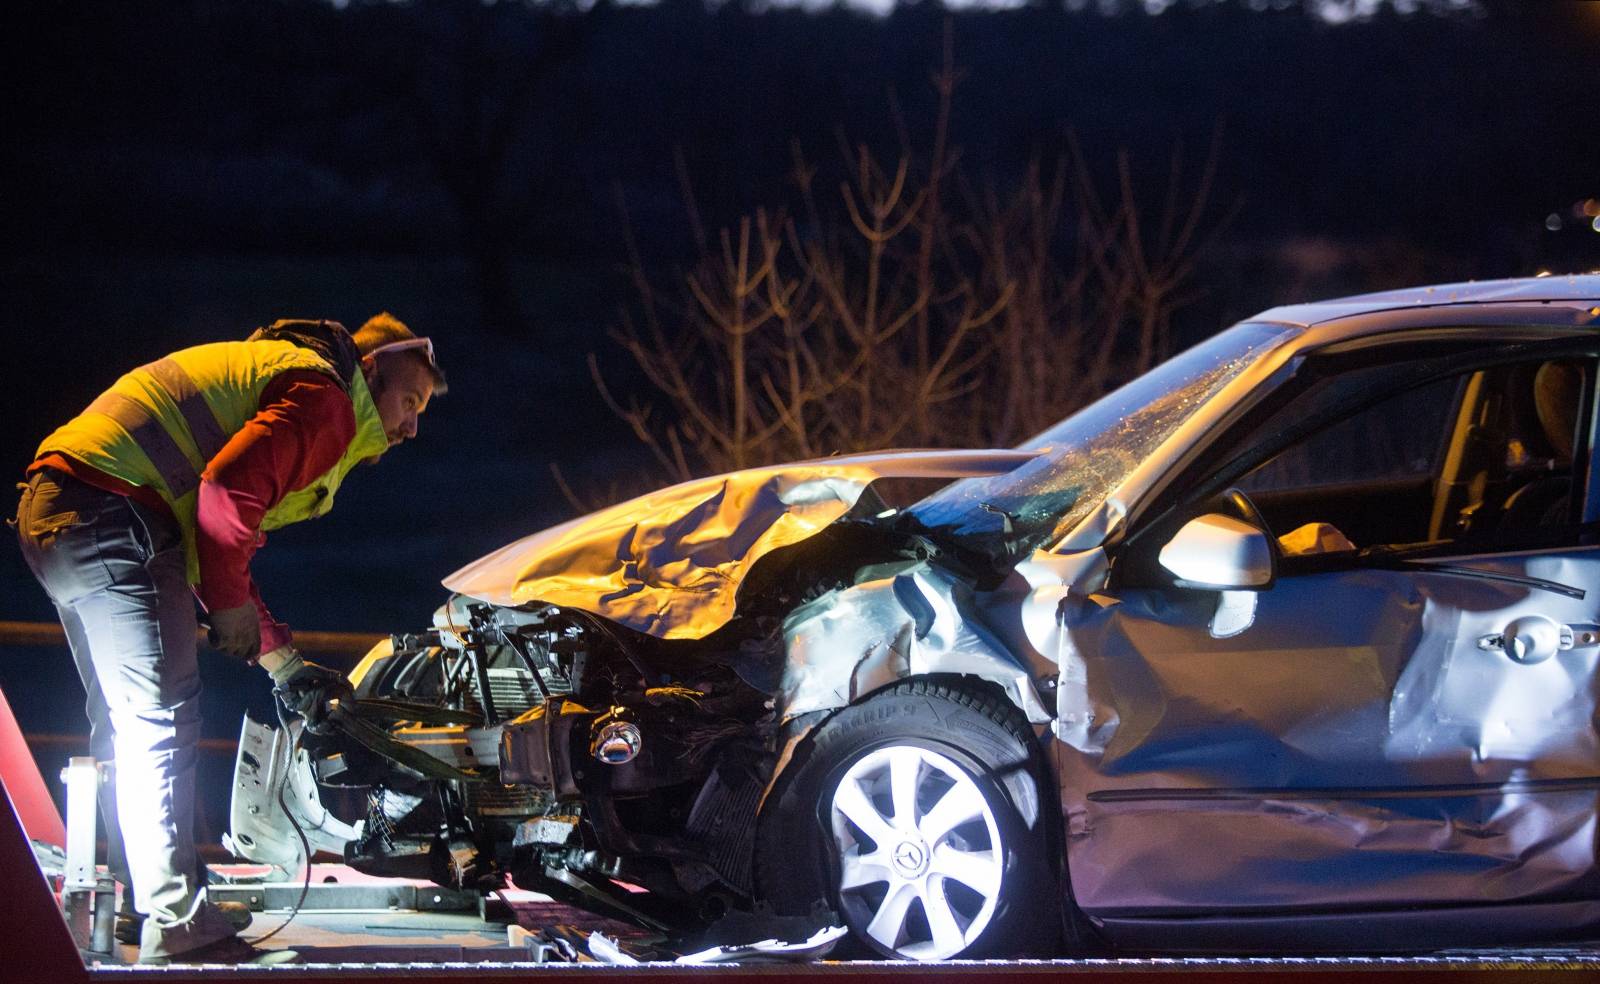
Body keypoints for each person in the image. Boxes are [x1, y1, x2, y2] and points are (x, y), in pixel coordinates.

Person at [12, 314, 444, 964]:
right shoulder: (326, 399)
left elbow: (213, 540)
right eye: (409, 402)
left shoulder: (284, 377)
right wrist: (233, 606)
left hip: (70, 505)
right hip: (111, 506)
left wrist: (285, 664)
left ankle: (149, 902)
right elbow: (224, 501)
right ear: (372, 370)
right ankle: (177, 923)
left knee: (124, 722)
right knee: (157, 718)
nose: (412, 426)